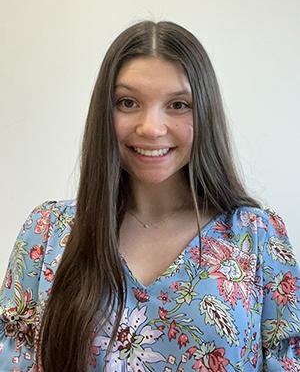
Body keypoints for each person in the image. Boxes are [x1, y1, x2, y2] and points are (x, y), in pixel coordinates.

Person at [0, 20, 299, 372]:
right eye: (128, 102)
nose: (151, 128)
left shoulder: (257, 237)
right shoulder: (47, 233)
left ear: (205, 113)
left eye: (178, 105)